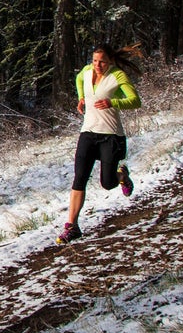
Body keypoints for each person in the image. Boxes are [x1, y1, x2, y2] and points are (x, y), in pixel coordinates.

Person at [59, 43, 139, 242]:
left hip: (111, 135)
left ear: (110, 61)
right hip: (88, 133)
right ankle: (72, 226)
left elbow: (135, 100)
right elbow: (79, 79)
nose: (97, 65)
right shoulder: (86, 72)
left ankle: (121, 176)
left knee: (107, 183)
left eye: (102, 61)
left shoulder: (117, 76)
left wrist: (114, 102)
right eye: (95, 61)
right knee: (79, 178)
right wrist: (81, 98)